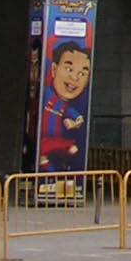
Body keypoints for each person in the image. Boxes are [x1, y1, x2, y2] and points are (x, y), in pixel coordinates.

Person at [38, 42, 92, 172]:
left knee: (73, 149)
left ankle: (67, 175)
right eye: (69, 69)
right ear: (54, 69)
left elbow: (79, 119)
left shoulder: (66, 107)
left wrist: (75, 124)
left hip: (58, 141)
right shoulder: (45, 94)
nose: (74, 78)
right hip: (43, 142)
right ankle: (51, 179)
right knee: (43, 158)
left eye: (82, 74)